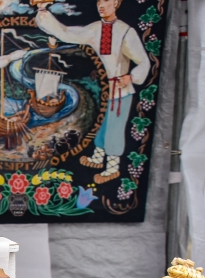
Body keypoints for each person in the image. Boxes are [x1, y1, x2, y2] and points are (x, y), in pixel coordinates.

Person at [36, 0, 150, 184]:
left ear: (116, 3)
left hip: (120, 91)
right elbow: (66, 32)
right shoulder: (94, 29)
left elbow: (143, 61)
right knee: (102, 125)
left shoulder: (125, 32)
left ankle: (112, 168)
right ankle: (98, 158)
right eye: (99, 1)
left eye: (106, 1)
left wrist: (131, 77)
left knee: (114, 128)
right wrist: (43, 13)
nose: (101, 5)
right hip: (104, 90)